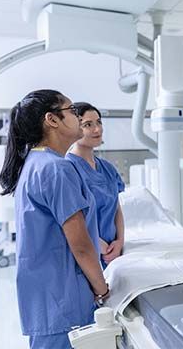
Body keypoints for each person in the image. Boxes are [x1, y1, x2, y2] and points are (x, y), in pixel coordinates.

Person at [0, 90, 108, 349]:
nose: (78, 117)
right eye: (72, 111)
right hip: (67, 302)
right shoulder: (57, 169)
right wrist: (102, 290)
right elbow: (80, 245)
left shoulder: (35, 163)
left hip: (46, 301)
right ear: (52, 119)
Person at [67, 102, 126, 268]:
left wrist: (120, 241)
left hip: (114, 253)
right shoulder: (67, 169)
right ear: (74, 129)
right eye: (88, 125)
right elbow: (72, 220)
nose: (97, 129)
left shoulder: (107, 168)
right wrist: (101, 247)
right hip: (88, 255)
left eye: (99, 122)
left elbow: (116, 208)